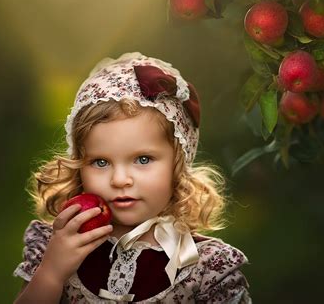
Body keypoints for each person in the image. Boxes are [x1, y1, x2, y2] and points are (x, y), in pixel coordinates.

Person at [13, 52, 251, 303]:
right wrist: (51, 274)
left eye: (143, 159)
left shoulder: (207, 268)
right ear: (79, 166)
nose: (120, 179)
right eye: (101, 162)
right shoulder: (57, 248)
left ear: (177, 165)